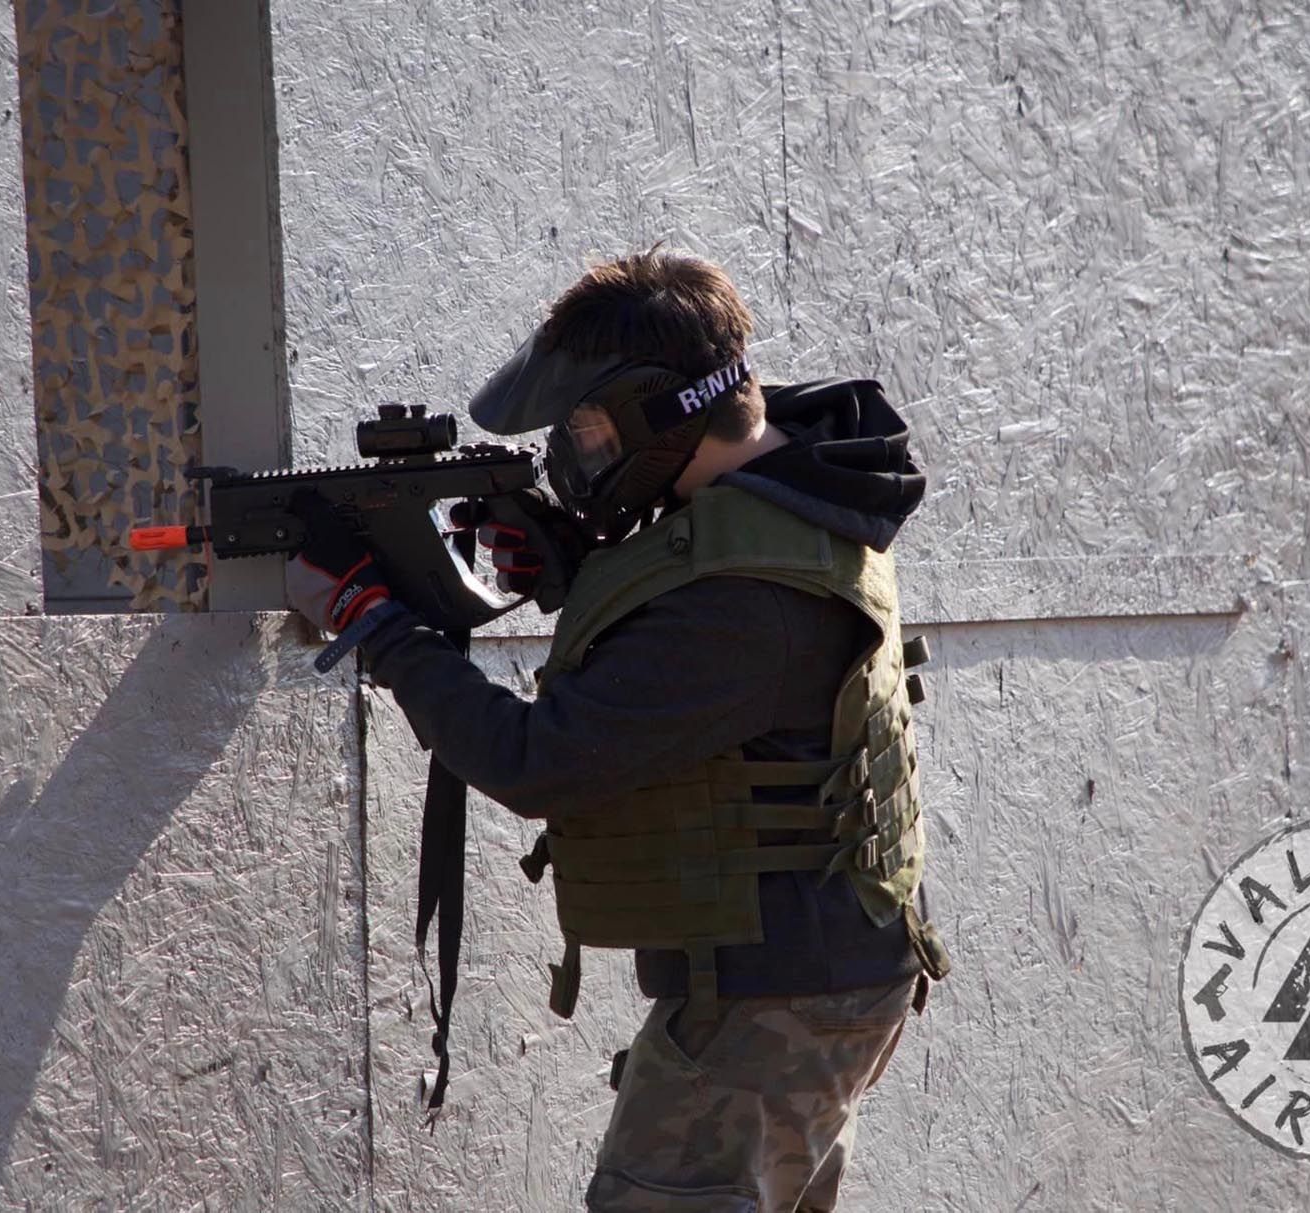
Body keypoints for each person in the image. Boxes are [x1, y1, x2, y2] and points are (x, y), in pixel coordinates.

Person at [287, 248, 949, 1211]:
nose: (577, 458)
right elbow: (695, 629)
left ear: (663, 410)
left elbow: (536, 759)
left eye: (591, 432)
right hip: (825, 971)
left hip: (774, 1004)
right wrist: (584, 565)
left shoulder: (741, 602)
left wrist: (374, 618)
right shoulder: (796, 482)